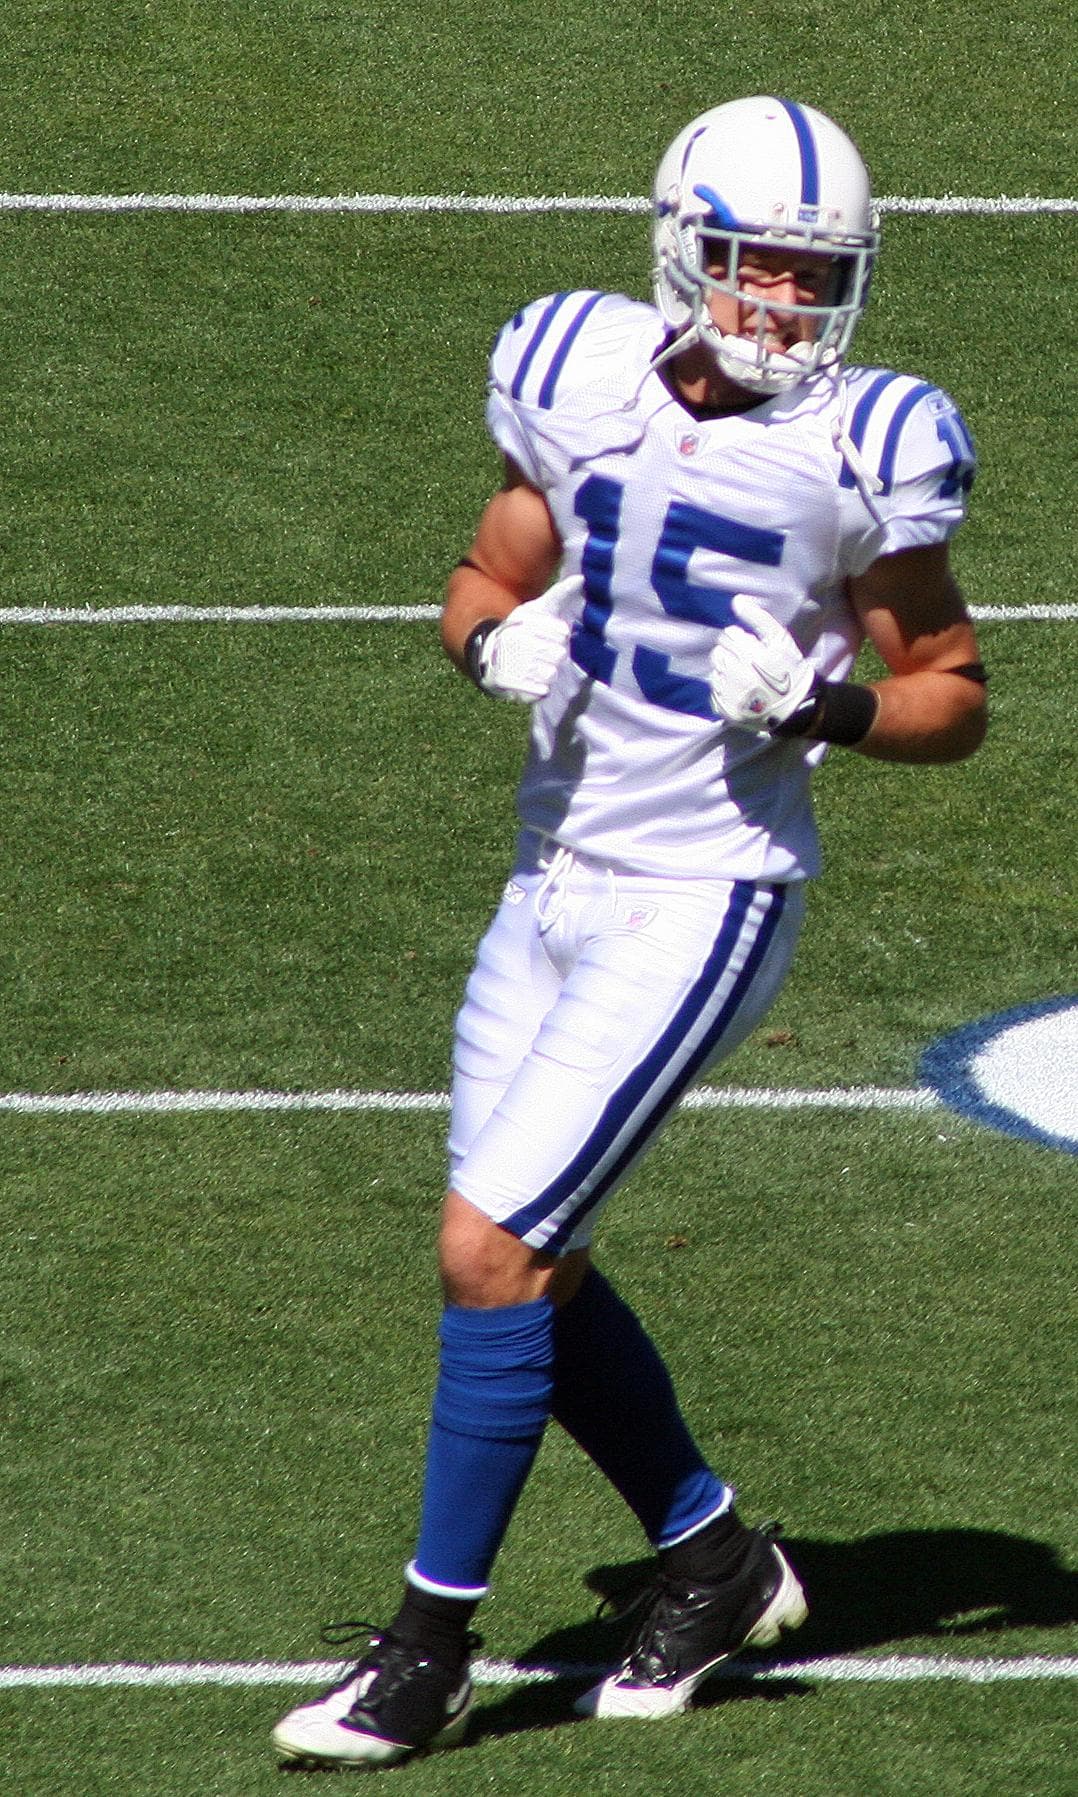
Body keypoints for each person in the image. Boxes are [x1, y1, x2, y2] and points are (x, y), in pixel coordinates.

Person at [272, 94, 987, 1769]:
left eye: (813, 272)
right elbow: (483, 574)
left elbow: (952, 693)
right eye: (753, 264)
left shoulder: (864, 442)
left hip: (703, 892)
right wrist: (485, 647)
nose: (783, 303)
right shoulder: (574, 372)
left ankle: (427, 1652)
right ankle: (714, 1558)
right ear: (679, 247)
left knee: (489, 1251)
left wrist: (825, 708)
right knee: (532, 1255)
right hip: (548, 880)